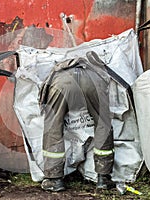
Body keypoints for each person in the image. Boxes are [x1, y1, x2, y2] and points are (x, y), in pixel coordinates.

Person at [39, 51, 115, 192]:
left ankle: (54, 179)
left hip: (63, 82)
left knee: (53, 125)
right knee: (103, 124)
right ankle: (103, 179)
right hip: (92, 81)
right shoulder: (95, 68)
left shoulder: (58, 69)